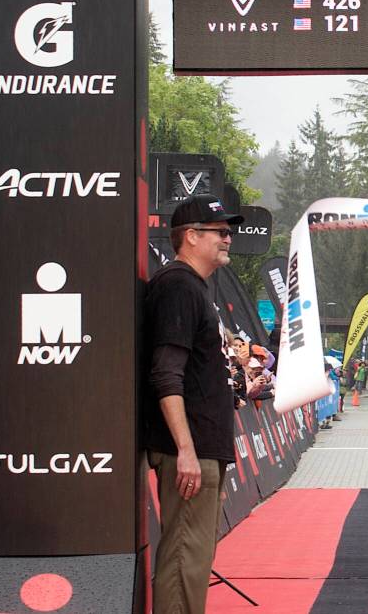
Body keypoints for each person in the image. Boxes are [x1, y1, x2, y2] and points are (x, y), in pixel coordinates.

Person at [143, 194, 243, 614]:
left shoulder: (194, 288)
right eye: (220, 232)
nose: (228, 239)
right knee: (184, 558)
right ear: (190, 236)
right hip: (190, 450)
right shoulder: (178, 286)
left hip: (202, 448)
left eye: (229, 232)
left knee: (193, 560)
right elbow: (167, 372)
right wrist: (185, 448)